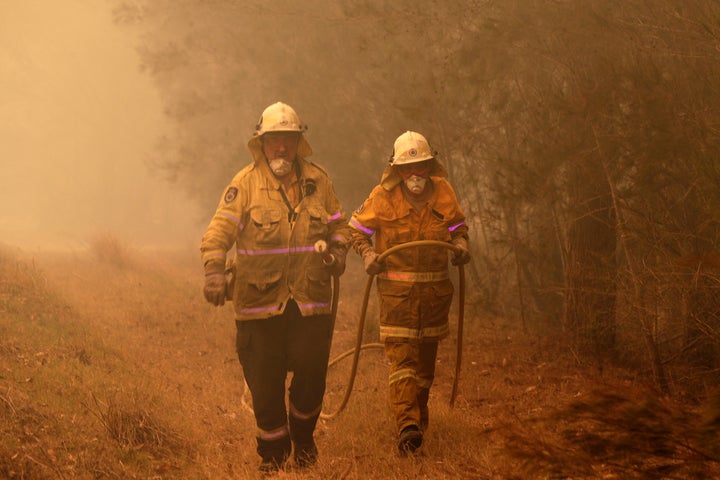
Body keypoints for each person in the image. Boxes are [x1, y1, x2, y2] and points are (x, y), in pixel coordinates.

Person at [200, 101, 350, 473]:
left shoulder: (320, 182)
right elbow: (217, 233)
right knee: (265, 388)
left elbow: (339, 227)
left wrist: (339, 250)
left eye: (288, 140)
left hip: (310, 304)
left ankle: (303, 440)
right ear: (261, 145)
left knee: (311, 377)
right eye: (273, 141)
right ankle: (273, 457)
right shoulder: (243, 185)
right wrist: (214, 270)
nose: (281, 148)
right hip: (258, 308)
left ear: (298, 143)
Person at [349, 130, 470, 455]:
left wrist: (460, 244)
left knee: (424, 371)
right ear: (396, 171)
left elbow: (458, 225)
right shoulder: (382, 196)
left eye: (421, 168)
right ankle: (407, 426)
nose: (415, 176)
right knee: (402, 363)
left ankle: (418, 416)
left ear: (431, 166)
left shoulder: (444, 192)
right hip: (396, 300)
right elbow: (356, 229)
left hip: (434, 299)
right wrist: (368, 254)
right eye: (407, 169)